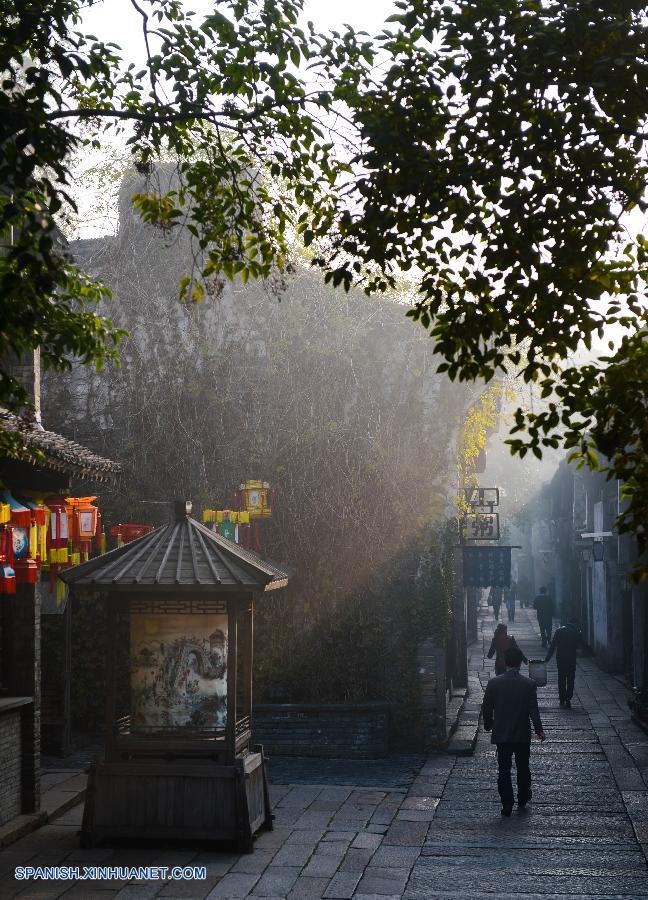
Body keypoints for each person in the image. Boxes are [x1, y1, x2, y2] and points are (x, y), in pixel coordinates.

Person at [482, 645, 546, 816]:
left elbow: (486, 708)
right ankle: (523, 797)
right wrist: (539, 730)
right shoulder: (529, 684)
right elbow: (533, 709)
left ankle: (507, 803)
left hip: (502, 733)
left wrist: (489, 724)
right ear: (519, 664)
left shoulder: (494, 683)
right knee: (523, 767)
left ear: (505, 662)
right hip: (522, 733)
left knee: (503, 769)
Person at [545, 618, 580, 708]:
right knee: (570, 680)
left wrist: (547, 659)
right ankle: (568, 698)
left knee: (561, 679)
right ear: (574, 623)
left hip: (561, 660)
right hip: (571, 660)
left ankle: (561, 698)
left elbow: (552, 646)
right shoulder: (575, 632)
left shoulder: (559, 631)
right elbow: (579, 646)